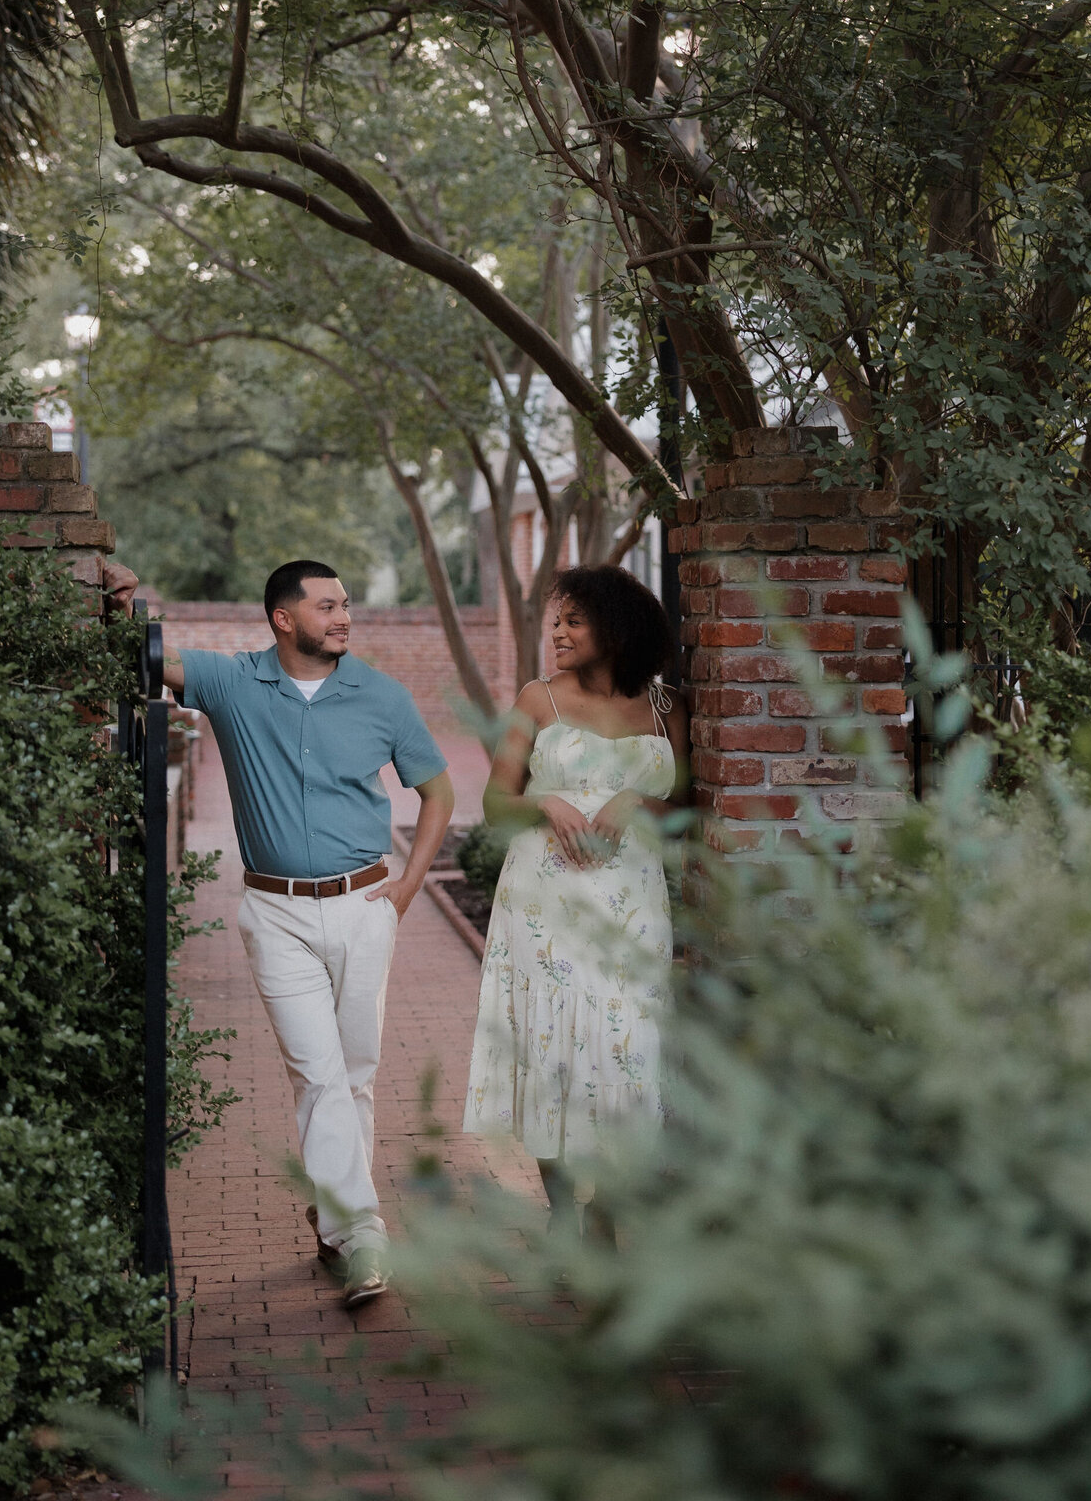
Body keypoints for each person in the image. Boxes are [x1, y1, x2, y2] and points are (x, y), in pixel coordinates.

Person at [104, 558, 454, 1308]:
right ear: (283, 619)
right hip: (277, 914)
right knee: (320, 1076)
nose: (344, 617)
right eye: (327, 606)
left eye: (347, 604)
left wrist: (409, 886)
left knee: (354, 1074)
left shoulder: (380, 696)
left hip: (366, 907)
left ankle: (333, 1220)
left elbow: (439, 791)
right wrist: (126, 606)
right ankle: (362, 1239)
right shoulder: (233, 683)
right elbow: (151, 657)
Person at [462, 564, 688, 1218]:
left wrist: (638, 804)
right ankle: (565, 1213)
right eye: (554, 622)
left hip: (632, 910)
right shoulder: (539, 700)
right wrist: (547, 805)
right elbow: (495, 805)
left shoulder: (668, 706)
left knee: (627, 1050)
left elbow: (690, 808)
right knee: (553, 1053)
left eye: (572, 621)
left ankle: (606, 1209)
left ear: (615, 628)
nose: (556, 633)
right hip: (545, 908)